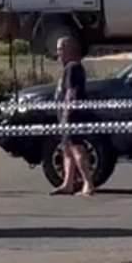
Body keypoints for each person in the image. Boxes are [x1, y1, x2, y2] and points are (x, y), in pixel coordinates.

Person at [52, 36, 95, 197]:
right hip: (65, 116)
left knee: (77, 148)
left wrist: (67, 113)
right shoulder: (68, 68)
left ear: (69, 49)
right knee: (67, 150)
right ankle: (68, 184)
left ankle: (88, 183)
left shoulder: (73, 67)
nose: (58, 53)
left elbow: (71, 92)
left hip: (72, 116)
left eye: (61, 49)